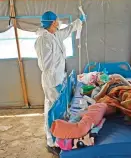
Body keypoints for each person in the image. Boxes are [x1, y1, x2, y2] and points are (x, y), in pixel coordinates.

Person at [35, 11, 86, 155]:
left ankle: (57, 134)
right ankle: (52, 141)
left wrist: (79, 21)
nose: (59, 22)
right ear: (52, 23)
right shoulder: (43, 40)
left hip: (58, 79)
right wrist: (55, 81)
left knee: (56, 109)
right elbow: (45, 65)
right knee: (53, 111)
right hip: (52, 82)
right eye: (57, 20)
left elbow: (67, 30)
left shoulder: (54, 35)